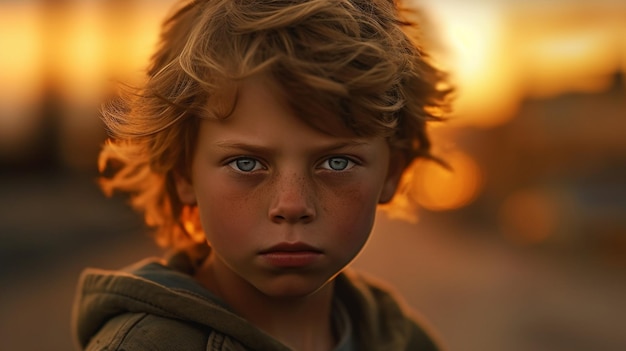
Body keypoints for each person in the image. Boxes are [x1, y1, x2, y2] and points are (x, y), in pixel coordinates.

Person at [72, 0, 452, 350]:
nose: (292, 206)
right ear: (183, 173)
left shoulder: (408, 341)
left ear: (392, 171)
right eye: (246, 164)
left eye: (337, 163)